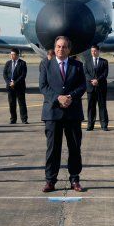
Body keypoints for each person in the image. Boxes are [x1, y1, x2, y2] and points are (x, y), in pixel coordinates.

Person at [39, 36, 86, 192]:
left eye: (64, 47)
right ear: (55, 48)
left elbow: (82, 86)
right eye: (58, 46)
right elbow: (43, 87)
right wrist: (58, 97)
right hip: (52, 113)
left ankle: (75, 179)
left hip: (72, 113)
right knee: (53, 149)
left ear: (69, 49)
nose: (61, 49)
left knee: (74, 148)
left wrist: (70, 97)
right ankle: (50, 181)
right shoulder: (46, 64)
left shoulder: (77, 65)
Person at [83, 45, 109, 131]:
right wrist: (92, 80)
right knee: (91, 107)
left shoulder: (104, 62)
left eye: (95, 51)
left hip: (101, 87)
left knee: (102, 106)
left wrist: (97, 80)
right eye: (92, 51)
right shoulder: (87, 62)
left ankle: (104, 125)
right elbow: (86, 73)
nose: (93, 53)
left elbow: (105, 74)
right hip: (90, 88)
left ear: (98, 51)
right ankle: (90, 125)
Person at [3, 48, 28, 124]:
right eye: (11, 54)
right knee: (12, 104)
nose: (11, 56)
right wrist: (9, 82)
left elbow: (23, 75)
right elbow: (5, 74)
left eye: (13, 54)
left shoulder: (22, 63)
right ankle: (13, 119)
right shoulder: (8, 63)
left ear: (17, 55)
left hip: (19, 87)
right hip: (10, 87)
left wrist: (15, 82)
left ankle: (24, 119)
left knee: (22, 103)